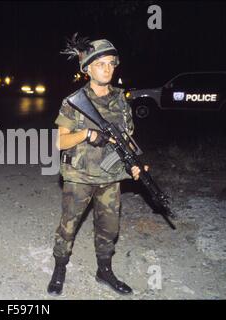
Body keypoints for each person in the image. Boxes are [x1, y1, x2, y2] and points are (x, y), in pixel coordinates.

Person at [47, 34, 147, 296]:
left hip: (110, 177)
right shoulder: (73, 102)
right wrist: (87, 134)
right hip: (79, 177)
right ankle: (60, 268)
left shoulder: (121, 100)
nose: (107, 68)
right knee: (68, 227)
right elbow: (61, 143)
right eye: (100, 63)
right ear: (87, 68)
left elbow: (127, 138)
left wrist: (135, 164)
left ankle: (104, 271)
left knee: (109, 229)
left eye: (111, 63)